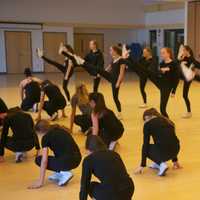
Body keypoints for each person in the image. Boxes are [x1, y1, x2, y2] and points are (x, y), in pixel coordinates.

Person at [59, 44, 126, 119]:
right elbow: (108, 69)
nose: (110, 51)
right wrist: (99, 74)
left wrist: (118, 82)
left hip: (115, 80)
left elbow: (121, 73)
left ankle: (120, 113)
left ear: (115, 51)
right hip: (110, 77)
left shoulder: (121, 60)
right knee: (96, 68)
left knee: (115, 97)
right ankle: (81, 61)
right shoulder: (114, 59)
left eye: (111, 50)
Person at [28, 120, 82, 189]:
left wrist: (40, 182)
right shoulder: (60, 129)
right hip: (77, 159)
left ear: (40, 132)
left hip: (67, 162)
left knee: (38, 159)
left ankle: (65, 173)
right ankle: (59, 172)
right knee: (60, 152)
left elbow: (44, 161)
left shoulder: (45, 138)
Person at [80, 135, 134, 200]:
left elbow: (84, 184)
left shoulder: (88, 160)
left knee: (91, 186)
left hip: (112, 194)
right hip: (129, 188)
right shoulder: (115, 154)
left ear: (88, 148)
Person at [135, 108, 181, 177]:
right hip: (176, 150)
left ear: (148, 116)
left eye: (145, 119)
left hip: (164, 152)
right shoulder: (168, 121)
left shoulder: (148, 125)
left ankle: (162, 165)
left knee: (148, 147)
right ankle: (157, 163)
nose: (145, 122)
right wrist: (175, 161)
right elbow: (171, 140)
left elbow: (145, 145)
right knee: (164, 142)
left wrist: (142, 165)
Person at [178, 45, 200, 118]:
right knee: (184, 95)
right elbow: (179, 64)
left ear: (188, 51)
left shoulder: (191, 59)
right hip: (185, 77)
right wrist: (180, 59)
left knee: (184, 95)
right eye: (182, 50)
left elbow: (196, 65)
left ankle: (189, 112)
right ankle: (189, 112)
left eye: (184, 50)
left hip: (189, 78)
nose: (182, 52)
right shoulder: (185, 58)